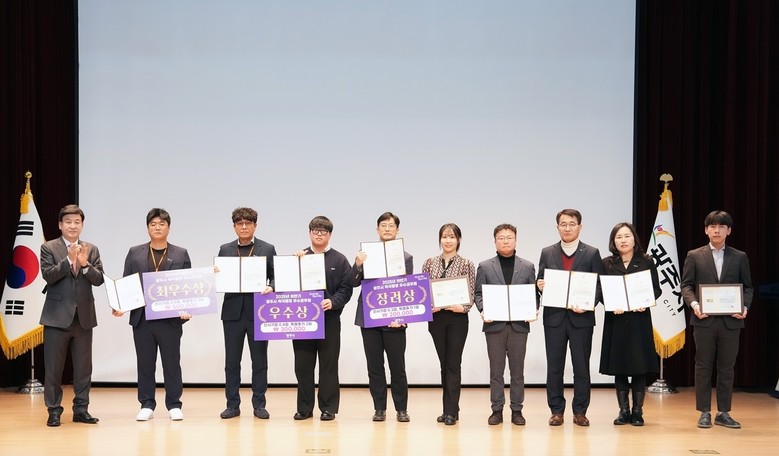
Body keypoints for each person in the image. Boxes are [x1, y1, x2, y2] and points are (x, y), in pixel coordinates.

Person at [115, 208, 192, 421]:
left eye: (161, 224)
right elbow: (126, 281)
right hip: (142, 317)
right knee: (145, 363)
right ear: (147, 227)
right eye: (153, 224)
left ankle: (174, 404)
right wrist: (120, 304)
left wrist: (187, 309)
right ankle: (147, 404)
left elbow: (187, 285)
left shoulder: (181, 253)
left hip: (170, 319)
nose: (157, 227)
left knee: (172, 362)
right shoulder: (134, 252)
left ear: (169, 227)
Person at [681, 210, 752, 429]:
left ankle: (723, 412)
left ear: (729, 231)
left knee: (727, 368)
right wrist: (695, 305)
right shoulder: (695, 255)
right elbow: (686, 286)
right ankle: (704, 412)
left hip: (731, 321)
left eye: (722, 226)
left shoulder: (739, 257)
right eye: (712, 226)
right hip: (704, 320)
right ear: (706, 230)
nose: (717, 230)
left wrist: (744, 307)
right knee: (703, 366)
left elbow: (748, 287)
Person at [536, 208, 605, 427]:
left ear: (580, 227)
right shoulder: (547, 252)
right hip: (554, 319)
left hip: (581, 319)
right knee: (554, 367)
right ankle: (556, 410)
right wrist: (539, 285)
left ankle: (580, 411)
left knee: (581, 367)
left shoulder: (592, 253)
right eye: (563, 224)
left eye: (572, 224)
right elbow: (540, 280)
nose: (567, 228)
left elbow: (599, 285)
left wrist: (588, 305)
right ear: (557, 227)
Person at [39, 204, 105, 427]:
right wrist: (68, 260)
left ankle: (81, 410)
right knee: (54, 368)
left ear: (82, 225)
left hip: (84, 317)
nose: (73, 226)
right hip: (57, 317)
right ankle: (54, 410)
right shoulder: (49, 248)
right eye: (68, 222)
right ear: (60, 225)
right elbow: (48, 276)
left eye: (77, 222)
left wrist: (85, 265)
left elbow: (99, 279)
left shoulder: (91, 249)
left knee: (84, 368)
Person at [350, 211, 413, 422]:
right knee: (375, 367)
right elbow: (353, 282)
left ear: (397, 230)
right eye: (383, 225)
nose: (387, 228)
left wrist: (402, 316)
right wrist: (358, 264)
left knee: (398, 367)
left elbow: (407, 288)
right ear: (377, 229)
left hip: (395, 319)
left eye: (391, 225)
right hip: (369, 317)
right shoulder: (365, 255)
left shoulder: (405, 257)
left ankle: (401, 409)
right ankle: (379, 408)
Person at [474, 223, 538, 426]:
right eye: (501, 238)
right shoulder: (485, 266)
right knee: (496, 372)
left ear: (516, 240)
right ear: (495, 242)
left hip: (519, 326)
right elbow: (478, 294)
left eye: (509, 237)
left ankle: (517, 411)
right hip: (494, 326)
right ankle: (497, 410)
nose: (505, 241)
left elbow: (533, 294)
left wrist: (533, 309)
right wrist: (483, 310)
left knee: (517, 372)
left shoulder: (527, 266)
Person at [291, 216, 353, 421]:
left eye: (323, 231)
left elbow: (346, 289)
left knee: (329, 365)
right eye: (315, 230)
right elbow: (287, 285)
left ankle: (328, 408)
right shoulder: (299, 257)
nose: (319, 234)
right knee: (303, 365)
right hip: (302, 320)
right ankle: (304, 408)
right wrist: (293, 264)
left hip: (329, 320)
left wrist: (333, 302)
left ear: (330, 235)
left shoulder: (339, 259)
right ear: (309, 233)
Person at [599, 223, 661, 426]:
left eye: (627, 236)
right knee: (619, 366)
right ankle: (623, 411)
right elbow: (600, 290)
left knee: (638, 367)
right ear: (613, 241)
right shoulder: (607, 263)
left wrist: (645, 302)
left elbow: (656, 289)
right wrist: (610, 303)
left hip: (639, 320)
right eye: (619, 237)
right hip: (616, 320)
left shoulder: (646, 261)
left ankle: (637, 412)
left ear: (634, 239)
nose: (623, 240)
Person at [216, 207, 276, 420]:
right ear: (234, 226)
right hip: (232, 313)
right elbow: (219, 278)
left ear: (255, 226)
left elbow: (275, 276)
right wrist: (215, 274)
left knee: (259, 361)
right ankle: (232, 405)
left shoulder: (267, 248)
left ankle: (259, 405)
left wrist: (271, 286)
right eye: (239, 223)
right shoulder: (225, 249)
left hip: (258, 312)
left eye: (248, 223)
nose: (244, 227)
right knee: (232, 362)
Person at [422, 223, 475, 426]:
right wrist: (428, 306)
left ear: (458, 240)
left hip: (457, 319)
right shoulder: (429, 263)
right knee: (444, 364)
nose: (448, 240)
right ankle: (449, 408)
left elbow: (471, 292)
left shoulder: (467, 264)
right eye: (444, 236)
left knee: (453, 363)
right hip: (437, 319)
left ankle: (451, 411)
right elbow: (423, 290)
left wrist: (463, 307)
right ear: (440, 239)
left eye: (452, 237)